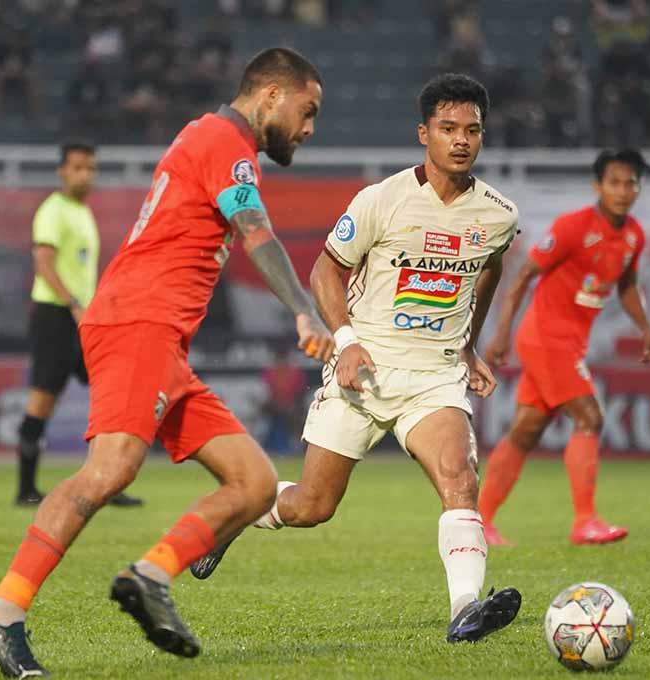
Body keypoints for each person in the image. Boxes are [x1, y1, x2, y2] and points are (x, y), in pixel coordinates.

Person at [0, 47, 334, 677]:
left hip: (162, 339)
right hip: (139, 321)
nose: (309, 127)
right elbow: (256, 233)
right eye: (307, 110)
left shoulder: (209, 137)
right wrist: (303, 311)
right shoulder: (225, 142)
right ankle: (2, 612)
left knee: (255, 483)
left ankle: (149, 574)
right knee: (109, 470)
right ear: (271, 94)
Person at [190, 73, 523, 644]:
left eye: (472, 130)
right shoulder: (381, 200)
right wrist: (345, 342)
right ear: (425, 134)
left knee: (460, 480)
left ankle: (465, 608)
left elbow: (488, 266)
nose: (462, 140)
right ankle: (236, 517)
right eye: (448, 129)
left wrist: (468, 344)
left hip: (434, 377)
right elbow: (326, 269)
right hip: (363, 370)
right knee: (312, 506)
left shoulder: (498, 215)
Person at [476, 148, 650, 546]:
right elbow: (523, 276)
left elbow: (627, 285)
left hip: (569, 345)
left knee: (525, 432)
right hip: (546, 339)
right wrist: (501, 333)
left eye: (631, 183)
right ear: (598, 186)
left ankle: (480, 523)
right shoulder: (573, 227)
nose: (623, 190)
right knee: (590, 417)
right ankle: (585, 521)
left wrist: (646, 328)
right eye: (614, 182)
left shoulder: (633, 236)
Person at [13, 141, 141, 508]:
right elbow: (44, 263)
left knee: (111, 393)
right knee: (42, 399)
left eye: (90, 168)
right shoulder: (53, 211)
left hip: (82, 316)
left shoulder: (83, 213)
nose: (85, 174)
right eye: (78, 167)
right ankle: (25, 489)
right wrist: (72, 305)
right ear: (62, 171)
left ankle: (108, 482)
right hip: (56, 315)